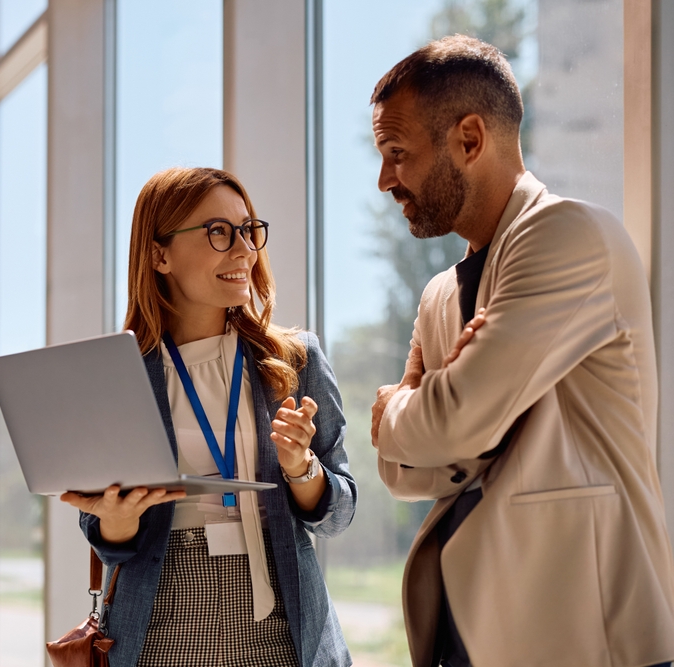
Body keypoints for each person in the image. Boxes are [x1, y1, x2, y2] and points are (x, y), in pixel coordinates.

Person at [368, 35, 674, 667]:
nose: (384, 181)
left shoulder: (569, 235)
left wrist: (403, 411)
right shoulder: (436, 295)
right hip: (467, 629)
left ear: (470, 139)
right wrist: (444, 416)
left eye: (397, 153)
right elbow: (404, 472)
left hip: (581, 631)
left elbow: (449, 422)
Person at [61, 167, 357, 667]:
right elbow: (109, 541)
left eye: (248, 230)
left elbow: (340, 512)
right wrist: (116, 522)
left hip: (279, 625)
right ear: (159, 254)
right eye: (219, 232)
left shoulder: (296, 359)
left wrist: (300, 469)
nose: (244, 249)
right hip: (160, 626)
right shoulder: (120, 374)